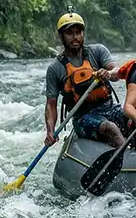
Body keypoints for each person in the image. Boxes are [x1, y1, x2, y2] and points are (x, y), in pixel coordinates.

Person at [43, 10, 126, 148]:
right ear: (61, 36)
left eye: (78, 32)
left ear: (83, 33)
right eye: (69, 33)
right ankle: (127, 156)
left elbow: (117, 71)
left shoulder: (98, 51)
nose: (75, 37)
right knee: (110, 128)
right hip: (84, 118)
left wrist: (108, 73)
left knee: (133, 117)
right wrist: (50, 131)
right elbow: (51, 104)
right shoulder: (55, 68)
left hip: (110, 108)